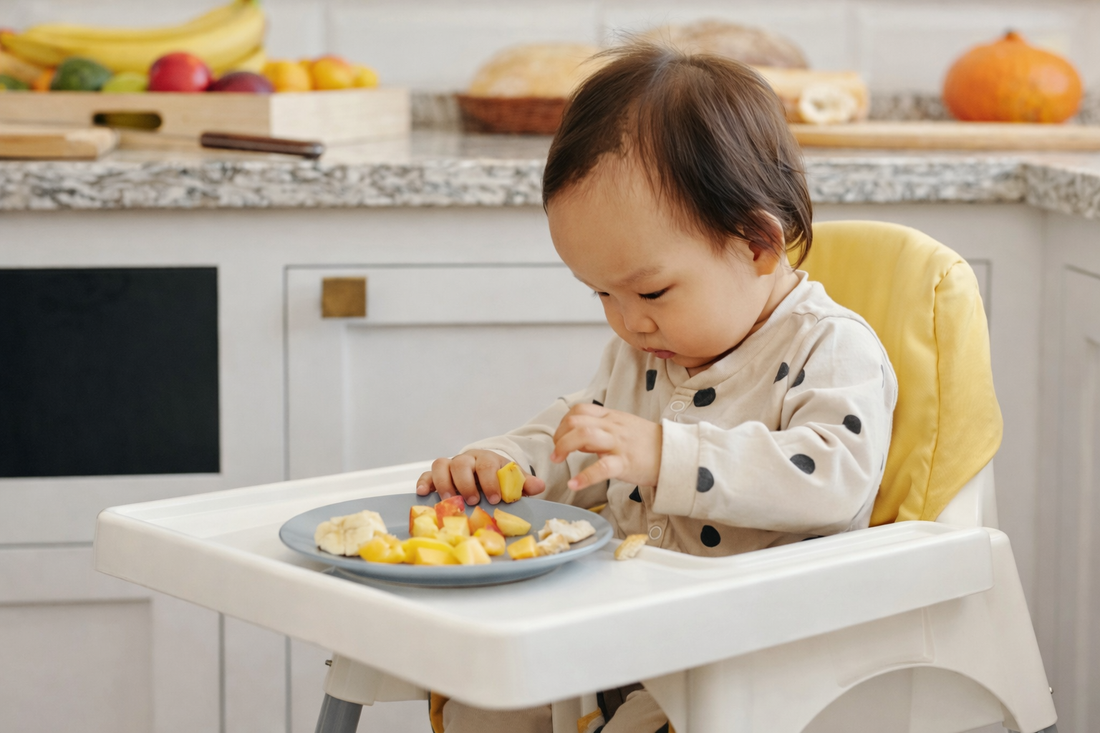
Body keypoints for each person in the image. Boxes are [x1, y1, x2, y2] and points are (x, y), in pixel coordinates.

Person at [416, 42, 898, 733]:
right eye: (601, 293)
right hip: (625, 638)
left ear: (758, 245)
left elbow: (833, 475)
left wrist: (667, 455)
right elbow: (585, 436)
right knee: (485, 696)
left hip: (749, 664)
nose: (626, 319)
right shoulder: (645, 347)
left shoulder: (831, 347)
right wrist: (508, 463)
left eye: (650, 289)